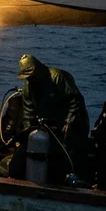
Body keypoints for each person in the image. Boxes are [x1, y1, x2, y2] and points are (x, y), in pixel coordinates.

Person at [13, 54, 89, 184]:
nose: (30, 80)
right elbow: (28, 111)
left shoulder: (58, 77)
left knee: (70, 150)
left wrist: (69, 122)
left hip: (71, 124)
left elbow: (75, 101)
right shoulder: (28, 86)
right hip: (47, 126)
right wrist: (27, 131)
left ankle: (78, 179)